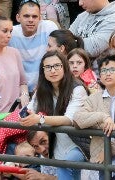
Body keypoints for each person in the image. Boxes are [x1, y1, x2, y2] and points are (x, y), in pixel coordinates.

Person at [19, 50, 88, 180]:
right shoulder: (42, 90)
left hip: (78, 143)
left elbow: (69, 119)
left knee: (65, 166)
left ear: (64, 67)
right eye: (48, 67)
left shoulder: (77, 89)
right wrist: (26, 115)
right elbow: (30, 108)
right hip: (55, 144)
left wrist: (40, 119)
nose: (53, 70)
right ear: (43, 71)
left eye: (57, 66)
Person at [73, 52, 115, 178]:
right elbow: (77, 119)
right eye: (103, 70)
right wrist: (102, 117)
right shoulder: (93, 99)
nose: (107, 73)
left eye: (112, 69)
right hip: (100, 155)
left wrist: (107, 151)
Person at [9, 0, 57, 92]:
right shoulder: (10, 33)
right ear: (18, 18)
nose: (31, 20)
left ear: (40, 18)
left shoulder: (49, 28)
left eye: (34, 16)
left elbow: (59, 56)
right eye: (26, 16)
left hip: (46, 87)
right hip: (18, 89)